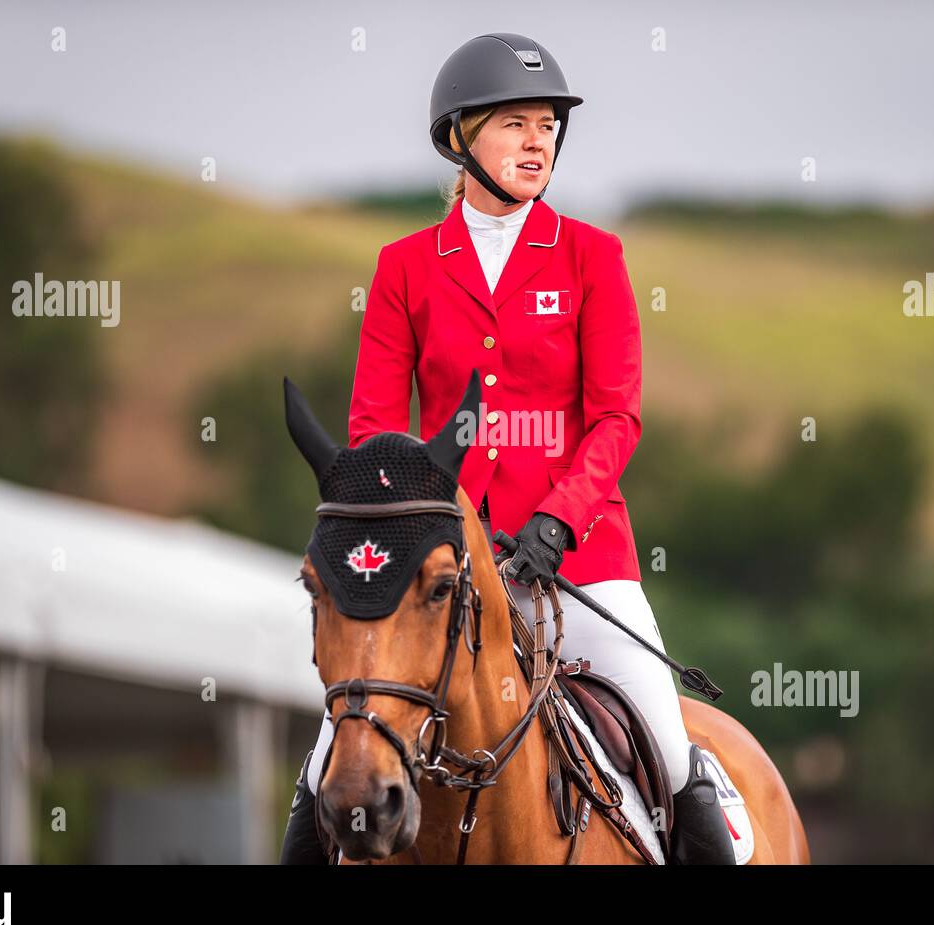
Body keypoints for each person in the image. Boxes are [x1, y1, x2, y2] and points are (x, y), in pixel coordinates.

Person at [281, 32, 735, 865]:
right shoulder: (404, 269)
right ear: (462, 139)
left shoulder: (594, 257)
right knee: (322, 777)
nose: (538, 141)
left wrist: (557, 523)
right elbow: (372, 438)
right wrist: (425, 543)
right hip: (438, 577)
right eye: (516, 123)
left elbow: (616, 419)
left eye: (548, 126)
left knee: (673, 754)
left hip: (583, 561)